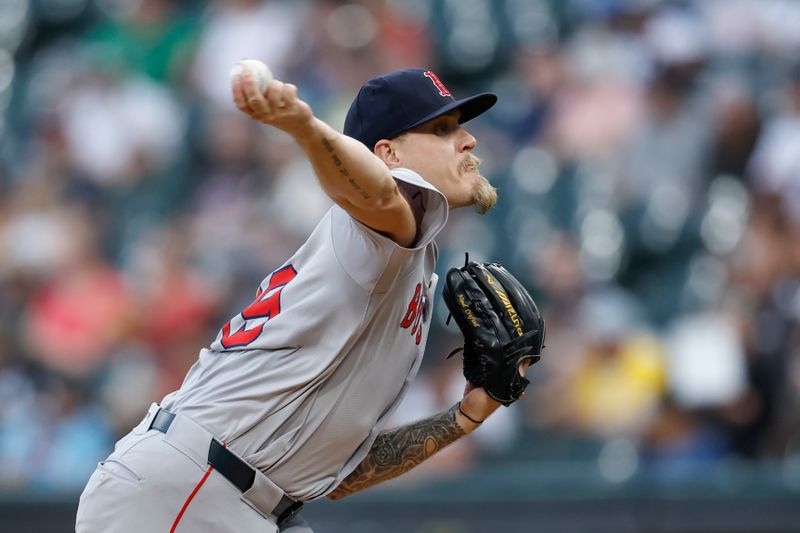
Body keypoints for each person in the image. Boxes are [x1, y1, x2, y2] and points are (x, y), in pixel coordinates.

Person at [76, 67, 515, 533]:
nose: (468, 140)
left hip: (246, 496)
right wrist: (302, 125)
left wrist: (462, 419)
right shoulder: (385, 222)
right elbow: (376, 190)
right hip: (186, 490)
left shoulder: (403, 258)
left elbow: (342, 475)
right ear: (387, 154)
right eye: (443, 129)